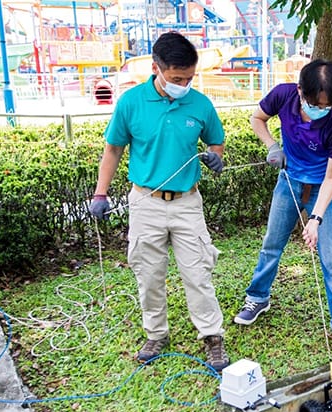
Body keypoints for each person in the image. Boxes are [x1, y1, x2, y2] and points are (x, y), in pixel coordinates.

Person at [89, 32, 229, 371]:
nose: (184, 84)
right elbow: (113, 149)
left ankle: (212, 337)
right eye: (178, 78)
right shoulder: (130, 102)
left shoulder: (200, 104)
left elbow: (216, 143)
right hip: (145, 203)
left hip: (186, 203)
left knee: (198, 274)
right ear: (156, 68)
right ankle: (156, 334)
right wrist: (100, 193)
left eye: (190, 78)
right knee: (148, 274)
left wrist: (215, 158)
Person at [234, 59, 332, 361]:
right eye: (314, 103)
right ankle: (257, 298)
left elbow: (331, 178)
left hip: (322, 189)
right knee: (271, 245)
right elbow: (257, 118)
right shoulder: (284, 95)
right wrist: (272, 147)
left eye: (327, 105)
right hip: (288, 180)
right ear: (300, 90)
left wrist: (315, 219)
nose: (320, 109)